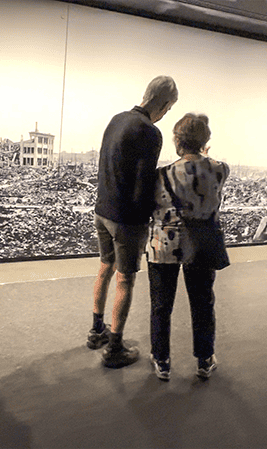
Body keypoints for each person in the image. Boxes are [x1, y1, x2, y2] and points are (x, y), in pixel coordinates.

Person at [88, 76, 178, 368]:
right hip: (126, 219)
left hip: (102, 209)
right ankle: (115, 348)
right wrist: (149, 219)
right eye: (168, 108)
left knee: (104, 269)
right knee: (125, 278)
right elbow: (143, 183)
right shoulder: (150, 132)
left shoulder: (116, 120)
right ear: (164, 105)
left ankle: (96, 330)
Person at [145, 113, 229, 381]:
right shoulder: (220, 169)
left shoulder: (162, 174)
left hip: (163, 245)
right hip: (200, 245)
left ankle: (162, 360)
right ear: (205, 140)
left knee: (161, 305)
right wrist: (203, 153)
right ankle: (204, 360)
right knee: (202, 303)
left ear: (177, 141)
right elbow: (206, 170)